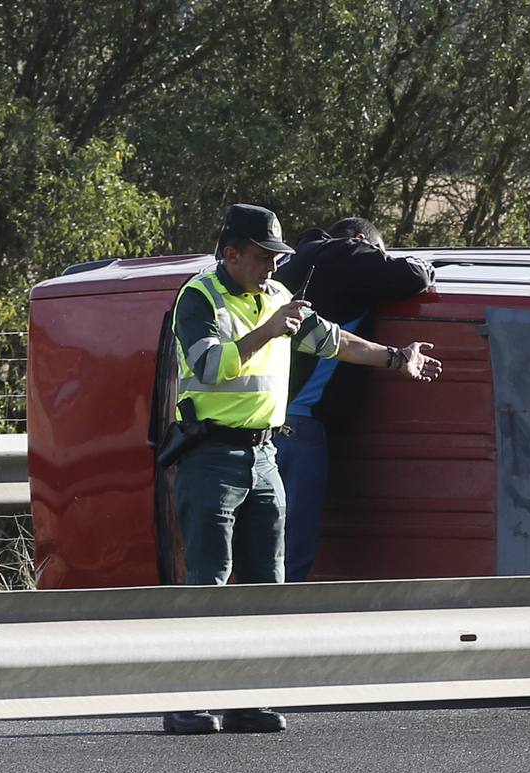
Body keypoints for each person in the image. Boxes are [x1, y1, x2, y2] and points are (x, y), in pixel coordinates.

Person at [164, 203, 441, 736]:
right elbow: (208, 365)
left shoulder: (277, 296)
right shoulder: (198, 297)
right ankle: (190, 701)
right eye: (264, 256)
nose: (273, 266)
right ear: (232, 254)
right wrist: (267, 332)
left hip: (264, 455)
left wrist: (394, 357)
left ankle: (249, 699)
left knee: (268, 583)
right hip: (211, 457)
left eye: (277, 257)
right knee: (209, 581)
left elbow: (331, 340)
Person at [272, 218, 437, 582]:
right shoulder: (342, 254)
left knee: (266, 536)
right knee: (294, 543)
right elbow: (413, 276)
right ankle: (274, 622)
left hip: (267, 420)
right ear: (363, 243)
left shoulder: (292, 264)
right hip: (302, 424)